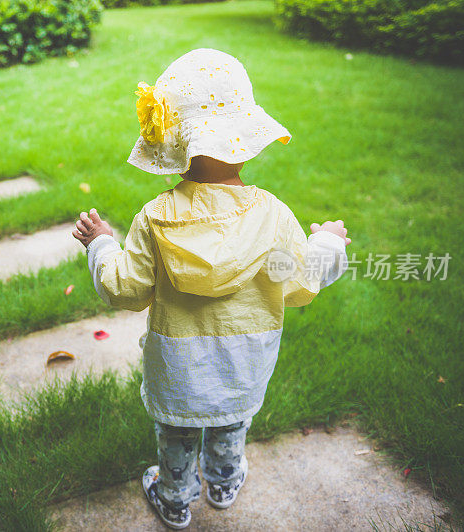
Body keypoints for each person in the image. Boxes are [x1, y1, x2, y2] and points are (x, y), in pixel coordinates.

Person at [71, 48, 350, 529]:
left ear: (173, 141)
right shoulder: (271, 214)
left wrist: (100, 246)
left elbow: (124, 289)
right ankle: (223, 481)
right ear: (244, 137)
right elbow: (301, 280)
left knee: (177, 432)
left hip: (179, 366)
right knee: (230, 421)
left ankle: (175, 496)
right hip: (244, 359)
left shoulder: (155, 218)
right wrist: (328, 240)